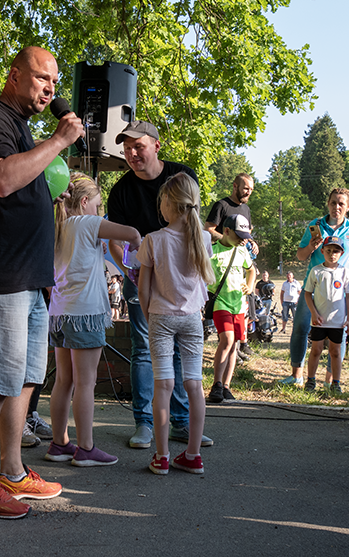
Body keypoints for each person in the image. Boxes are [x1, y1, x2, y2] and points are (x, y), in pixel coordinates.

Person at [0, 46, 84, 519]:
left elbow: (23, 181)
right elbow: (1, 180)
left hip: (28, 277)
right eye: (41, 78)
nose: (50, 88)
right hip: (0, 275)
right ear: (14, 76)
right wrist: (57, 142)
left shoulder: (22, 128)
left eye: (54, 81)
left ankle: (11, 471)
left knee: (26, 377)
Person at [107, 120, 213, 449]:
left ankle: (180, 423)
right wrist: (131, 272)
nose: (132, 153)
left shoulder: (183, 175)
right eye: (126, 149)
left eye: (138, 146)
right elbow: (114, 239)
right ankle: (145, 423)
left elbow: (195, 234)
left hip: (182, 293)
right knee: (143, 351)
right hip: (143, 280)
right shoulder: (121, 190)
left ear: (156, 145)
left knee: (181, 356)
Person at [45, 172, 140, 467]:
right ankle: (86, 447)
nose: (98, 211)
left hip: (60, 314)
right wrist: (135, 258)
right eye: (97, 205)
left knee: (64, 381)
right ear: (85, 202)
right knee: (86, 383)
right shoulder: (87, 223)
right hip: (85, 314)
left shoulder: (56, 225)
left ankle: (59, 443)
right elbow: (132, 233)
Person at [137, 173, 214, 475]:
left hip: (161, 317)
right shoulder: (204, 238)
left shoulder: (153, 240)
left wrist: (148, 314)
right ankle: (193, 454)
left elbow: (143, 289)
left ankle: (162, 456)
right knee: (194, 385)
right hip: (192, 319)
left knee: (164, 385)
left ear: (168, 203)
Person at [280, 188, 349, 385]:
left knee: (340, 332)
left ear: (348, 206)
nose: (336, 207)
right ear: (327, 203)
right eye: (333, 203)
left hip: (340, 291)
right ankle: (297, 375)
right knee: (300, 329)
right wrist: (312, 245)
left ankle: (330, 379)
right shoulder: (315, 225)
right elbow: (301, 256)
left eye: (341, 203)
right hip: (312, 290)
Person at [206, 214, 256, 403]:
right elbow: (203, 273)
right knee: (226, 340)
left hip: (239, 304)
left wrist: (250, 286)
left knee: (234, 344)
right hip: (221, 302)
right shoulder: (213, 251)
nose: (243, 240)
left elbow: (252, 270)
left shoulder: (242, 251)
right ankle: (216, 383)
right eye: (239, 235)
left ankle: (226, 385)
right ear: (226, 231)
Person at [302, 237, 349, 394]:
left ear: (341, 253)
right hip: (319, 321)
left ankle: (335, 383)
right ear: (322, 251)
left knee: (335, 352)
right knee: (316, 350)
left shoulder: (344, 272)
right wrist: (313, 313)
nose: (332, 254)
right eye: (329, 250)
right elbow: (307, 294)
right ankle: (310, 381)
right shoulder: (316, 271)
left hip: (337, 322)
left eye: (336, 251)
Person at [204, 173, 259, 255]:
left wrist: (251, 242)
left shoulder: (246, 209)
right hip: (219, 256)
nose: (249, 193)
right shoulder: (221, 205)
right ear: (235, 186)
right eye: (246, 188)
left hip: (239, 256)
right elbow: (208, 230)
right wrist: (229, 240)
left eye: (251, 189)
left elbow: (248, 231)